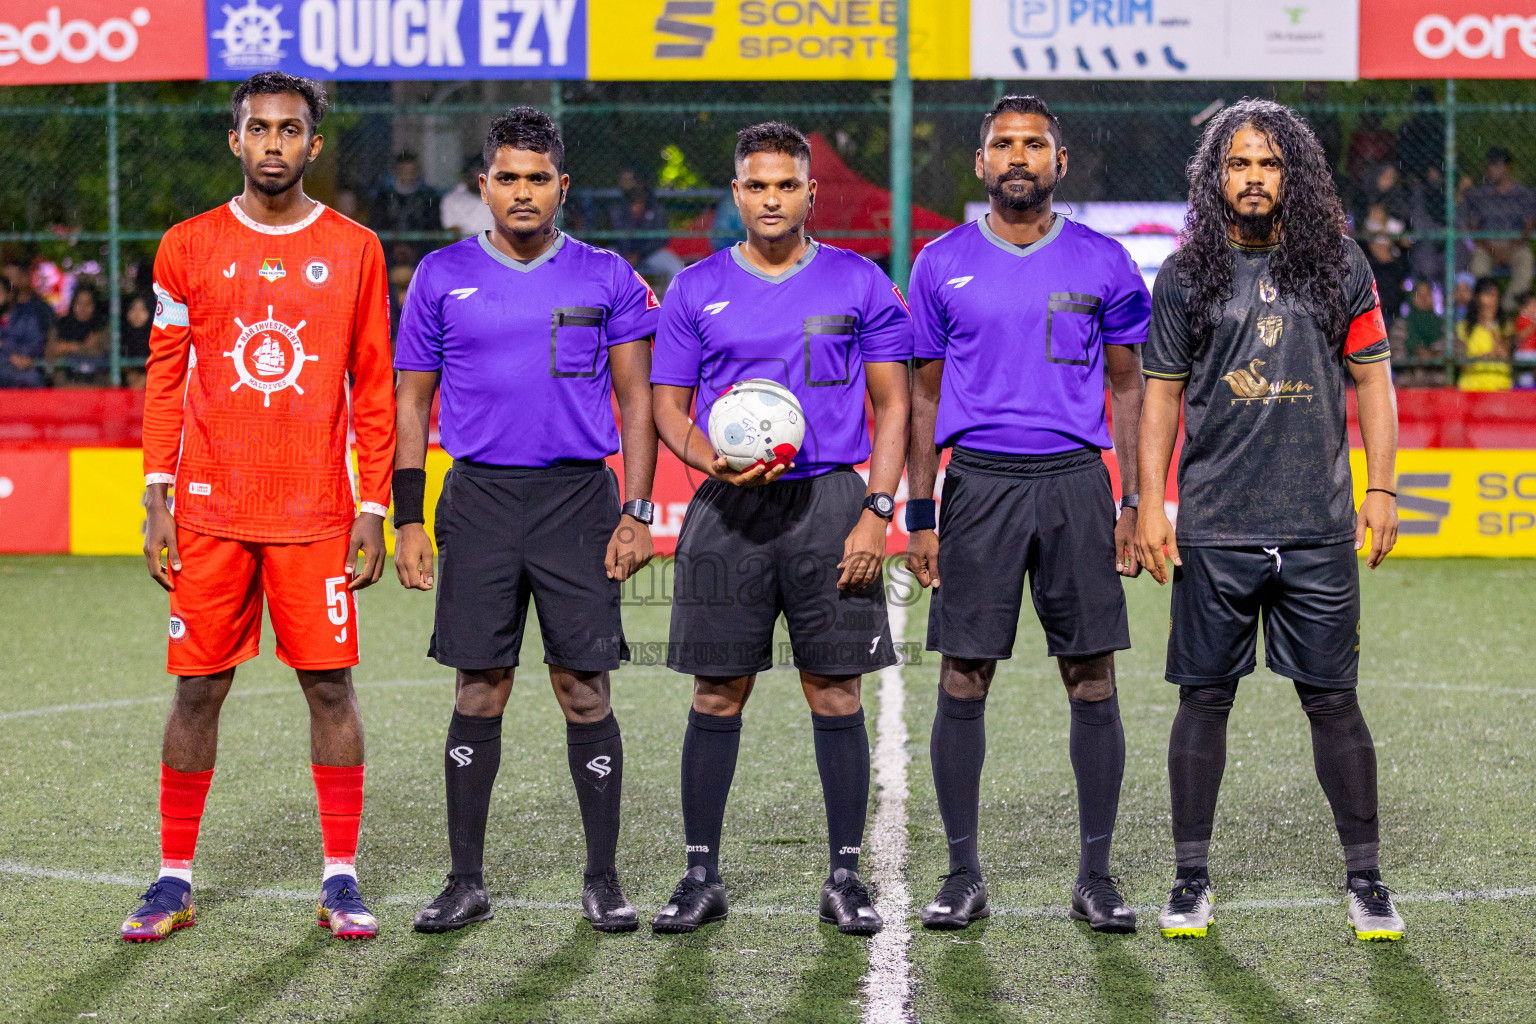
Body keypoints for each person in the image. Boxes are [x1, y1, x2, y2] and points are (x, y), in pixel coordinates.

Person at [121, 72, 395, 943]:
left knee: (330, 687)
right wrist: (156, 489)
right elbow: (166, 376)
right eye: (258, 129)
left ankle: (341, 878)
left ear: (314, 145)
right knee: (197, 689)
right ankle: (172, 878)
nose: (273, 143)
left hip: (316, 511)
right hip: (207, 508)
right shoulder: (185, 246)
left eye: (290, 130)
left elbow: (376, 387)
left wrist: (374, 505)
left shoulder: (356, 248)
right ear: (234, 140)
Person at [1135, 98, 1405, 944]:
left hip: (1319, 525)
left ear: (1295, 173)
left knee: (1334, 704)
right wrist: (1151, 502)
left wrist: (1382, 490)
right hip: (1216, 527)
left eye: (1269, 163)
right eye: (1238, 164)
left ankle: (1365, 879)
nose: (1254, 178)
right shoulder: (1184, 275)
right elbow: (1160, 402)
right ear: (1217, 177)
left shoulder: (1341, 265)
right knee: (1203, 700)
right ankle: (1189, 880)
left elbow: (1373, 383)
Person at [393, 107, 660, 935]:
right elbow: (409, 399)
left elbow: (637, 400)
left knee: (584, 688)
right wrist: (407, 517)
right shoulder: (440, 275)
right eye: (506, 177)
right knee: (481, 684)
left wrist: (638, 510)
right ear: (483, 185)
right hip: (476, 501)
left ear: (562, 186)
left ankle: (604, 879)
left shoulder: (607, 276)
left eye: (537, 178)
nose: (521, 192)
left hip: (578, 502)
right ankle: (465, 880)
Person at [649, 122, 912, 935]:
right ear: (737, 194)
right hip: (728, 508)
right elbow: (668, 406)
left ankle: (844, 877)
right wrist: (706, 460)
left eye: (786, 186)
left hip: (831, 503)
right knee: (717, 690)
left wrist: (877, 512)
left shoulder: (860, 282)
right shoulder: (696, 289)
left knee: (833, 687)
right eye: (756, 186)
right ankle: (700, 876)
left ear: (809, 192)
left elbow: (896, 404)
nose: (771, 200)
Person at [903, 95, 1148, 934]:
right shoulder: (938, 263)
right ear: (980, 163)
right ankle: (964, 873)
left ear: (1059, 161)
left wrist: (1134, 499)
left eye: (1033, 145)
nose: (1018, 156)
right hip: (977, 484)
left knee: (1091, 672)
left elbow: (1127, 385)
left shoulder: (1106, 261)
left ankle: (1096, 875)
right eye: (1003, 144)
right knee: (964, 672)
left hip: (1076, 481)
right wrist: (922, 509)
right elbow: (923, 395)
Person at [1462, 148, 1536, 309]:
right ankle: (1486, 311)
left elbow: (1529, 224)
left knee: (1526, 260)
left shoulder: (1522, 193)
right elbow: (1473, 228)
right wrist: (1492, 250)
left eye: (1495, 166)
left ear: (1506, 168)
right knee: (1478, 265)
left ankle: (1508, 311)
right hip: (1487, 243)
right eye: (1489, 165)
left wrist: (1512, 247)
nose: (1490, 170)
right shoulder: (1480, 195)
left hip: (1515, 242)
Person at [609, 168, 686, 287]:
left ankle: (678, 303)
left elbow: (660, 240)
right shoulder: (617, 209)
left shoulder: (656, 209)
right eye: (633, 203)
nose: (636, 207)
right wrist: (627, 254)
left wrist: (640, 255)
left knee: (676, 266)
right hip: (622, 252)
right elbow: (615, 237)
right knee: (604, 261)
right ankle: (602, 303)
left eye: (639, 202)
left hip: (650, 253)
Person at [372, 150, 442, 263]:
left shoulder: (429, 197)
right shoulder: (383, 197)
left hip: (420, 250)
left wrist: (414, 247)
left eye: (411, 171)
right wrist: (394, 247)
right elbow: (377, 225)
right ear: (397, 171)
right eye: (404, 171)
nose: (408, 175)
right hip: (388, 251)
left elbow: (433, 227)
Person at [45, 285, 110, 386]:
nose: (83, 308)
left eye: (88, 304)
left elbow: (99, 352)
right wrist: (81, 347)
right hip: (66, 385)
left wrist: (68, 347)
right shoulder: (61, 325)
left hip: (96, 386)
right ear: (73, 304)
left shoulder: (102, 327)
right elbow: (51, 351)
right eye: (79, 303)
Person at [0, 264, 52, 388]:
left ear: (9, 295)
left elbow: (33, 347)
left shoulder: (28, 317)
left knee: (33, 378)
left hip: (22, 371)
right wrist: (11, 355)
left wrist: (5, 346)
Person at [1457, 277, 1512, 392]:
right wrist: (1483, 357)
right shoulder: (1464, 327)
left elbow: (1505, 355)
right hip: (1472, 388)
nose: (1493, 300)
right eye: (1488, 294)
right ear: (1477, 298)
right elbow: (1462, 362)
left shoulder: (1505, 326)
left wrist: (1491, 329)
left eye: (1495, 295)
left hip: (1499, 386)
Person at [439, 156, 494, 239]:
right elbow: (452, 230)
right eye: (477, 178)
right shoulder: (452, 200)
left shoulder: (504, 196)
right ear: (467, 177)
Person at [121, 292, 153, 388]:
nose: (137, 314)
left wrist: (144, 378)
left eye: (142, 309)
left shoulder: (156, 337)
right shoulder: (119, 335)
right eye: (133, 308)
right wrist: (129, 375)